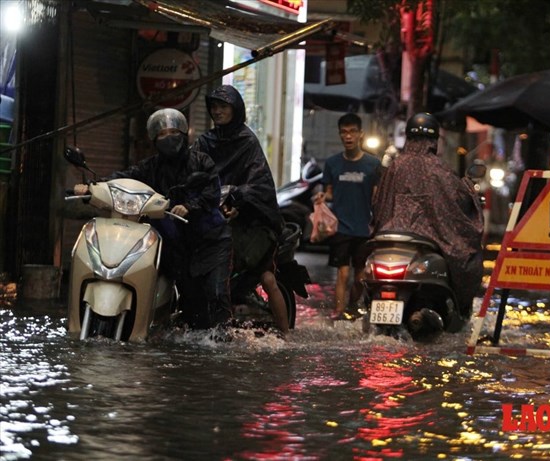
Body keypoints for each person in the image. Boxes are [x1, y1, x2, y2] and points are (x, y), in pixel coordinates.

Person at [74, 108, 233, 330]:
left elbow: (211, 191)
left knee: (215, 294)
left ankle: (223, 343)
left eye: (173, 131)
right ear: (154, 140)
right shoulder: (150, 167)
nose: (168, 138)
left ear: (184, 132)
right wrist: (92, 187)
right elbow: (123, 177)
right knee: (191, 304)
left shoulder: (201, 161)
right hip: (177, 245)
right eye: (162, 134)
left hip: (209, 242)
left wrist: (189, 206)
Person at [193, 84, 290, 337]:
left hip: (251, 223)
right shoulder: (205, 142)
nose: (217, 111)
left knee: (267, 277)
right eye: (214, 107)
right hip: (211, 215)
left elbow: (260, 184)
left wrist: (239, 199)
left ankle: (286, 335)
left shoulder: (247, 142)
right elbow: (192, 173)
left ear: (235, 110)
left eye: (223, 106)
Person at [371, 112, 484, 317]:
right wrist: (470, 193)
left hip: (390, 234)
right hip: (431, 236)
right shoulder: (438, 169)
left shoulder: (395, 166)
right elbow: (456, 202)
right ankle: (459, 310)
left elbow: (379, 204)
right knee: (467, 256)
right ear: (434, 140)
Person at [314, 113, 381, 320]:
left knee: (360, 277)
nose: (348, 136)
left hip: (364, 228)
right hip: (340, 227)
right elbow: (330, 192)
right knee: (342, 274)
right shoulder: (333, 163)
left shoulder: (373, 164)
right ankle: (338, 314)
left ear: (360, 134)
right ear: (340, 135)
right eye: (344, 132)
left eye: (352, 131)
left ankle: (352, 308)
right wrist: (322, 197)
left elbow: (376, 197)